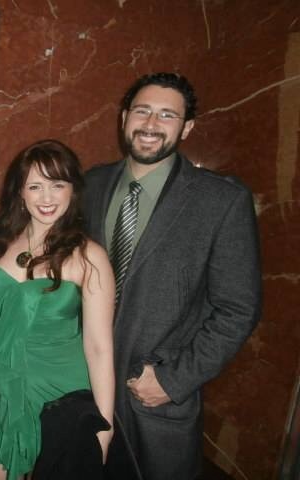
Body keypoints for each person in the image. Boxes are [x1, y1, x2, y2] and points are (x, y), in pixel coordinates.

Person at [82, 72, 262, 479]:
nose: (150, 124)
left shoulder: (221, 200)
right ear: (124, 117)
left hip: (153, 401)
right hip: (81, 387)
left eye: (167, 115)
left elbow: (238, 308)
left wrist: (172, 379)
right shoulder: (90, 185)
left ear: (187, 126)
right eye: (142, 111)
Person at [0, 140, 115, 480]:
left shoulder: (88, 256)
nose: (47, 197)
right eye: (35, 186)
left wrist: (104, 427)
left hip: (59, 400)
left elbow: (99, 348)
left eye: (57, 185)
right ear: (20, 192)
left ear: (72, 191)